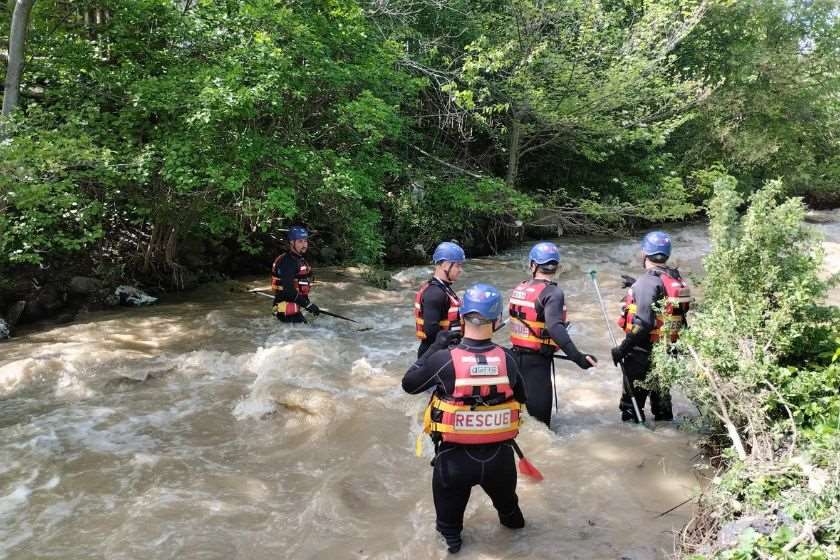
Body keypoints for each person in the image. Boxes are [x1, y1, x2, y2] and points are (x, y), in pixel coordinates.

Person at [402, 283, 527, 554]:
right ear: (496, 321)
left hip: (453, 463)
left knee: (450, 538)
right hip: (500, 461)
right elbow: (521, 398)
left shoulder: (444, 359)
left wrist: (435, 347)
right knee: (513, 522)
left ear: (461, 317)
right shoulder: (508, 359)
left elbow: (409, 385)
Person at [508, 242, 597, 427]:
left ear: (533, 265)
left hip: (514, 360)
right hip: (537, 366)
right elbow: (555, 328)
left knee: (519, 422)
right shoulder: (552, 292)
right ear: (557, 267)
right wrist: (578, 357)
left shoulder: (521, 287)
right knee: (541, 425)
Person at [611, 231, 691, 422]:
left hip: (642, 353)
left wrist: (622, 350)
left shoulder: (647, 282)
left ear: (644, 254)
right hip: (667, 352)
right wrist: (636, 284)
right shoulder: (675, 278)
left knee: (632, 410)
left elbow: (644, 323)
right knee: (662, 406)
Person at [414, 242, 464, 358]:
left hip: (442, 352)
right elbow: (431, 333)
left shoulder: (443, 288)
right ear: (446, 265)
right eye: (457, 266)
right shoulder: (435, 293)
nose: (460, 270)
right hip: (434, 355)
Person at [271, 226, 320, 323]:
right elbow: (288, 290)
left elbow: (301, 284)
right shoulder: (287, 262)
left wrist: (307, 303)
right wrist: (307, 305)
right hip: (283, 307)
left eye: (305, 241)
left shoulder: (299, 259)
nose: (304, 245)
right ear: (292, 243)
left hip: (289, 305)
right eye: (300, 241)